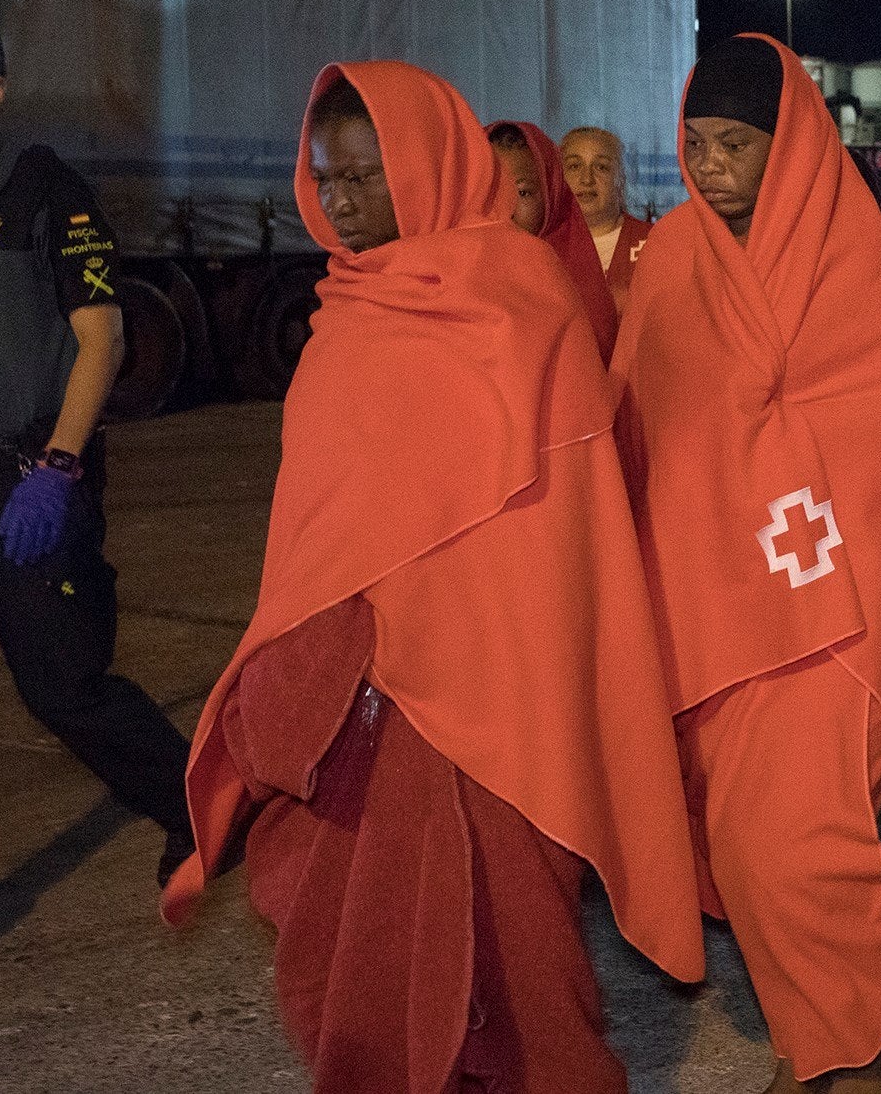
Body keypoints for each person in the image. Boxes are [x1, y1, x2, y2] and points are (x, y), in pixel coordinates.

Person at [163, 62, 706, 1091]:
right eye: (328, 176)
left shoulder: (519, 301)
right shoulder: (345, 315)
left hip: (503, 680)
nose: (345, 198)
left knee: (518, 940)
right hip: (366, 696)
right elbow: (325, 533)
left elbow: (562, 530)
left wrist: (502, 648)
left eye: (370, 173)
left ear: (432, 164)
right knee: (362, 939)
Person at [612, 36, 881, 1093]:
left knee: (794, 841)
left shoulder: (868, 265)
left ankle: (849, 1057)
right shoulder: (672, 260)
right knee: (738, 839)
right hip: (723, 599)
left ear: (793, 147)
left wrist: (787, 449)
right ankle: (850, 1026)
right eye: (695, 142)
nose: (710, 163)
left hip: (846, 607)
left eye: (736, 144)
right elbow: (640, 423)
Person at [0, 6, 194, 968]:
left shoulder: (47, 192)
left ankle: (195, 807)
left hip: (22, 483)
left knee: (64, 690)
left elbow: (105, 336)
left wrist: (58, 465)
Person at [490, 121, 620, 358]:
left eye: (523, 193)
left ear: (551, 194)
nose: (505, 207)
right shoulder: (443, 282)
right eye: (491, 190)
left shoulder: (581, 297)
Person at [560, 125, 651, 317]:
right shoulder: (544, 247)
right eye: (574, 166)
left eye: (601, 167)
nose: (587, 179)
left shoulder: (653, 243)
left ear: (620, 179)